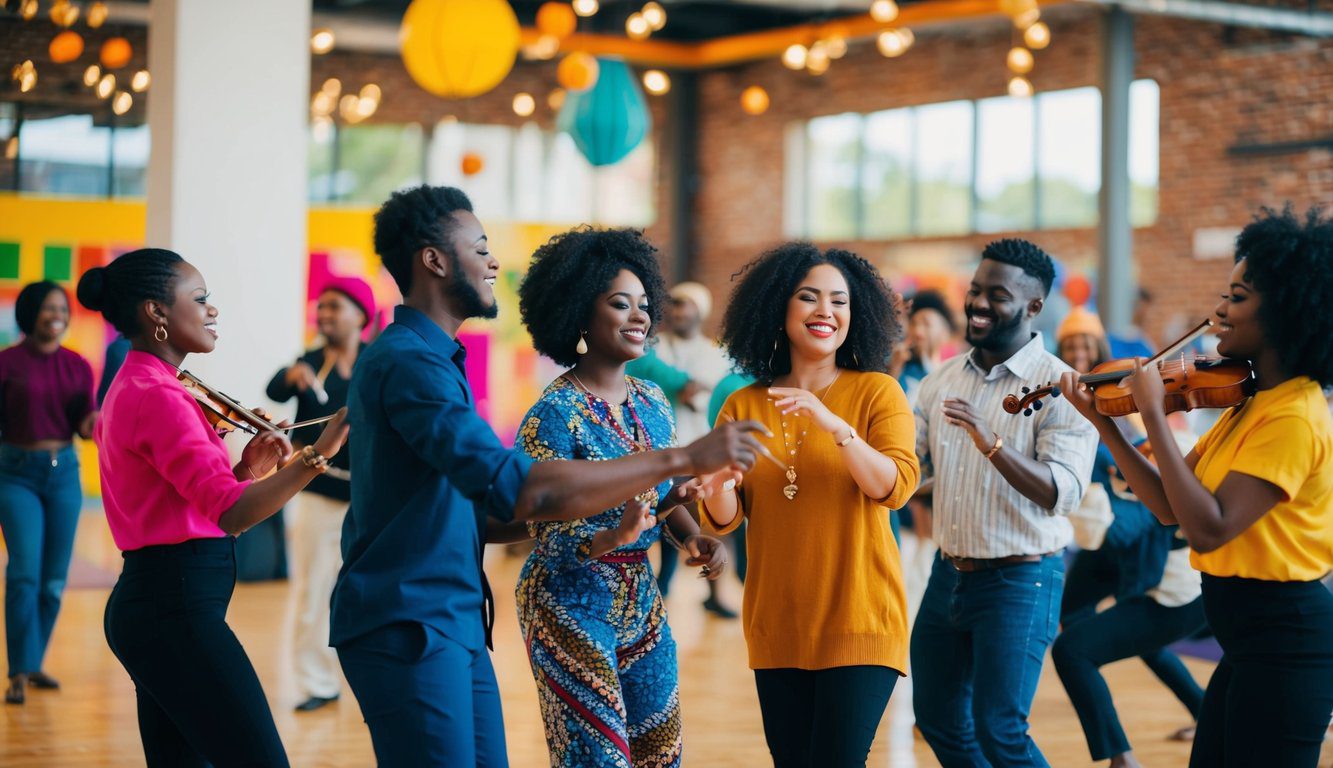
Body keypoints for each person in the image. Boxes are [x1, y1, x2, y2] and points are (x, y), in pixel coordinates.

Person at [328, 187, 767, 768]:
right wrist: (679, 460)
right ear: (433, 261)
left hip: (457, 616)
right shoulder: (414, 364)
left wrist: (674, 518)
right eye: (480, 248)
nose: (493, 262)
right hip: (417, 620)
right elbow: (525, 492)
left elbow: (493, 514)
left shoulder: (438, 360)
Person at [1058, 205, 1333, 767]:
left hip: (1286, 644)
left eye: (1238, 296)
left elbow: (1208, 529)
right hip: (1249, 643)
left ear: (1282, 310)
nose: (1219, 310)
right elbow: (1169, 506)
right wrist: (1107, 422)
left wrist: (1155, 415)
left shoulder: (1294, 415)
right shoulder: (1249, 401)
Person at [78, 248, 350, 766]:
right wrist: (318, 455)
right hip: (172, 608)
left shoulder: (143, 385)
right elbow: (232, 514)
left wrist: (248, 470)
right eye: (200, 299)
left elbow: (199, 503)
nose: (213, 311)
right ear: (157, 313)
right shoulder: (160, 396)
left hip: (158, 605)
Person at [510, 228, 730, 767]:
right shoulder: (553, 413)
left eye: (644, 305)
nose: (639, 317)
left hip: (640, 596)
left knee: (660, 753)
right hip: (567, 600)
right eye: (619, 304)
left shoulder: (654, 400)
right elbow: (539, 528)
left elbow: (662, 495)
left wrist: (693, 533)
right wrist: (615, 535)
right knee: (597, 760)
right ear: (579, 316)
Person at [701, 243, 920, 767]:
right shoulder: (743, 404)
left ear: (856, 315)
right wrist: (718, 481)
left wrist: (835, 426)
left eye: (839, 301)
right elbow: (724, 518)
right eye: (809, 297)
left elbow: (894, 485)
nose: (826, 311)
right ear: (779, 307)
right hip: (777, 624)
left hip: (861, 619)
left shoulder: (878, 393)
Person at [909, 238, 1098, 768]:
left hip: (1021, 580)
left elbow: (1063, 491)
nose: (979, 304)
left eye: (998, 295)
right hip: (949, 575)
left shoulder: (1062, 387)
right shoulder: (939, 381)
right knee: (939, 718)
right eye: (975, 291)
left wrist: (992, 443)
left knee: (1001, 731)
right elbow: (912, 470)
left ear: (1035, 306)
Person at [1049, 305, 1206, 768]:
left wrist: (1130, 466)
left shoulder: (1116, 401)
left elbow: (1155, 474)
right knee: (1071, 617)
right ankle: (1197, 713)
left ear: (1098, 349)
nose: (1078, 351)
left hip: (1133, 541)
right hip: (1109, 545)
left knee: (1089, 645)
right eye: (1070, 345)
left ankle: (1130, 751)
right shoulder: (1064, 400)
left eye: (1086, 344)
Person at [265, 276, 374, 712]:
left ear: (361, 316)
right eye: (321, 308)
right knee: (314, 590)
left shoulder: (376, 362)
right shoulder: (308, 361)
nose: (324, 315)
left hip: (369, 500)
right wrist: (291, 375)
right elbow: (275, 389)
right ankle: (317, 682)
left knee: (365, 591)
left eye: (335, 307)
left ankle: (365, 677)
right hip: (316, 493)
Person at [0, 281, 95, 705]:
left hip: (64, 476)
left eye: (62, 308)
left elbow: (83, 423)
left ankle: (34, 661)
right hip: (15, 474)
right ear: (30, 313)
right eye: (47, 308)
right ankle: (19, 669)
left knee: (54, 580)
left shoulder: (77, 365)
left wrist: (99, 422)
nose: (56, 315)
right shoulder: (7, 363)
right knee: (23, 571)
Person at [632, 281, 738, 617]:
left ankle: (713, 591)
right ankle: (661, 589)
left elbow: (707, 397)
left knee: (704, 518)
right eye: (674, 305)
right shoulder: (654, 347)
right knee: (664, 513)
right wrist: (683, 386)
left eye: (686, 305)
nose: (679, 312)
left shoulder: (714, 353)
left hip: (702, 447)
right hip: (660, 449)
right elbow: (653, 383)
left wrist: (685, 389)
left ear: (700, 312)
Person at [887, 288, 959, 621]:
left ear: (945, 330)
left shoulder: (956, 373)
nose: (918, 330)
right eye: (914, 322)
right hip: (907, 489)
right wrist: (893, 370)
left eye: (927, 322)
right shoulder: (902, 372)